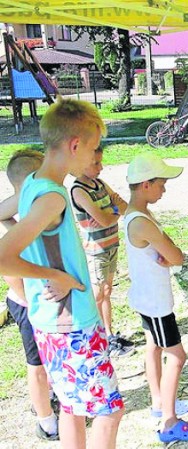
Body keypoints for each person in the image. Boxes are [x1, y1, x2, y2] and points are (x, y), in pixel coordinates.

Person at [0, 98, 124, 448]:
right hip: (74, 326)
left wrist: (44, 273)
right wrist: (54, 276)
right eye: (94, 149)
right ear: (75, 145)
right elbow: (3, 255)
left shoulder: (33, 184)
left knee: (72, 406)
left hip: (49, 322)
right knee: (108, 410)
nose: (94, 158)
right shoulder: (53, 196)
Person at [123, 153, 188, 443]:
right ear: (146, 184)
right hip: (156, 302)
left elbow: (168, 250)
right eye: (161, 183)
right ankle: (169, 422)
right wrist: (172, 254)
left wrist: (169, 252)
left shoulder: (136, 213)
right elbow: (176, 255)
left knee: (153, 347)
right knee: (177, 355)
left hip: (145, 297)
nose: (164, 189)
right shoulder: (142, 222)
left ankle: (159, 403)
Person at [0, 149, 59, 441]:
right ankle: (46, 421)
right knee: (35, 366)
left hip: (41, 303)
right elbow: (11, 275)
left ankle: (50, 395)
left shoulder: (33, 216)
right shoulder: (27, 210)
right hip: (28, 304)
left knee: (48, 362)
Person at [70, 146, 133, 357]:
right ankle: (95, 338)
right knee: (97, 294)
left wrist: (109, 212)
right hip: (96, 251)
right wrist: (112, 211)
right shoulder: (78, 190)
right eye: (95, 164)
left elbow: (123, 205)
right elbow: (109, 215)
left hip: (111, 245)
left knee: (107, 291)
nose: (101, 167)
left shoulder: (98, 183)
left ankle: (107, 334)